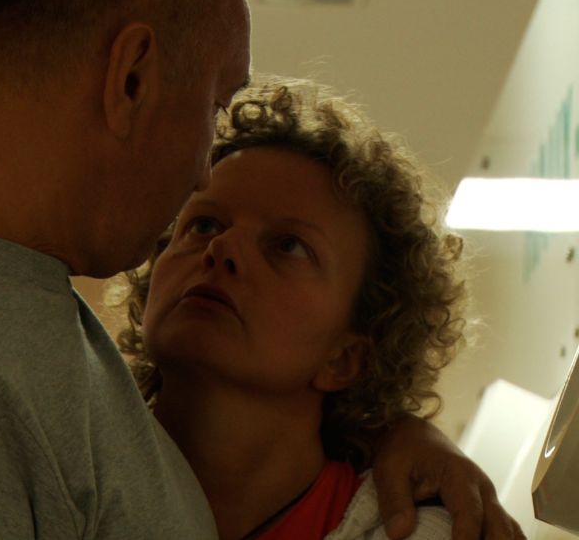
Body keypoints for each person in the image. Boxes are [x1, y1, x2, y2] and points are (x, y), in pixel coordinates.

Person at [0, 0, 520, 538]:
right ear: (131, 79)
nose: (200, 173)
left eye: (288, 247)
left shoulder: (3, 299)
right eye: (211, 107)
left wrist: (393, 434)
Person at [114, 79, 485, 540]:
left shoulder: (411, 532)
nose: (222, 247)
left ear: (344, 359)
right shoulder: (54, 461)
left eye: (288, 246)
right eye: (204, 224)